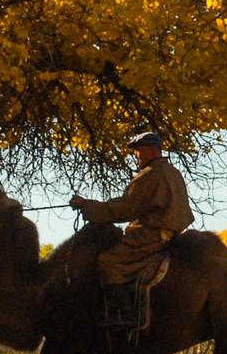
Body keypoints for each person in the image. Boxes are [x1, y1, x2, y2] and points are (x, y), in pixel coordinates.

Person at [70, 131, 194, 327]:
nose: (136, 156)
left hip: (150, 236)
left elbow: (127, 208)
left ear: (152, 151)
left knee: (108, 262)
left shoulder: (151, 174)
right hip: (171, 234)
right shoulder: (173, 173)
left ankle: (125, 314)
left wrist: (87, 206)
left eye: (139, 151)